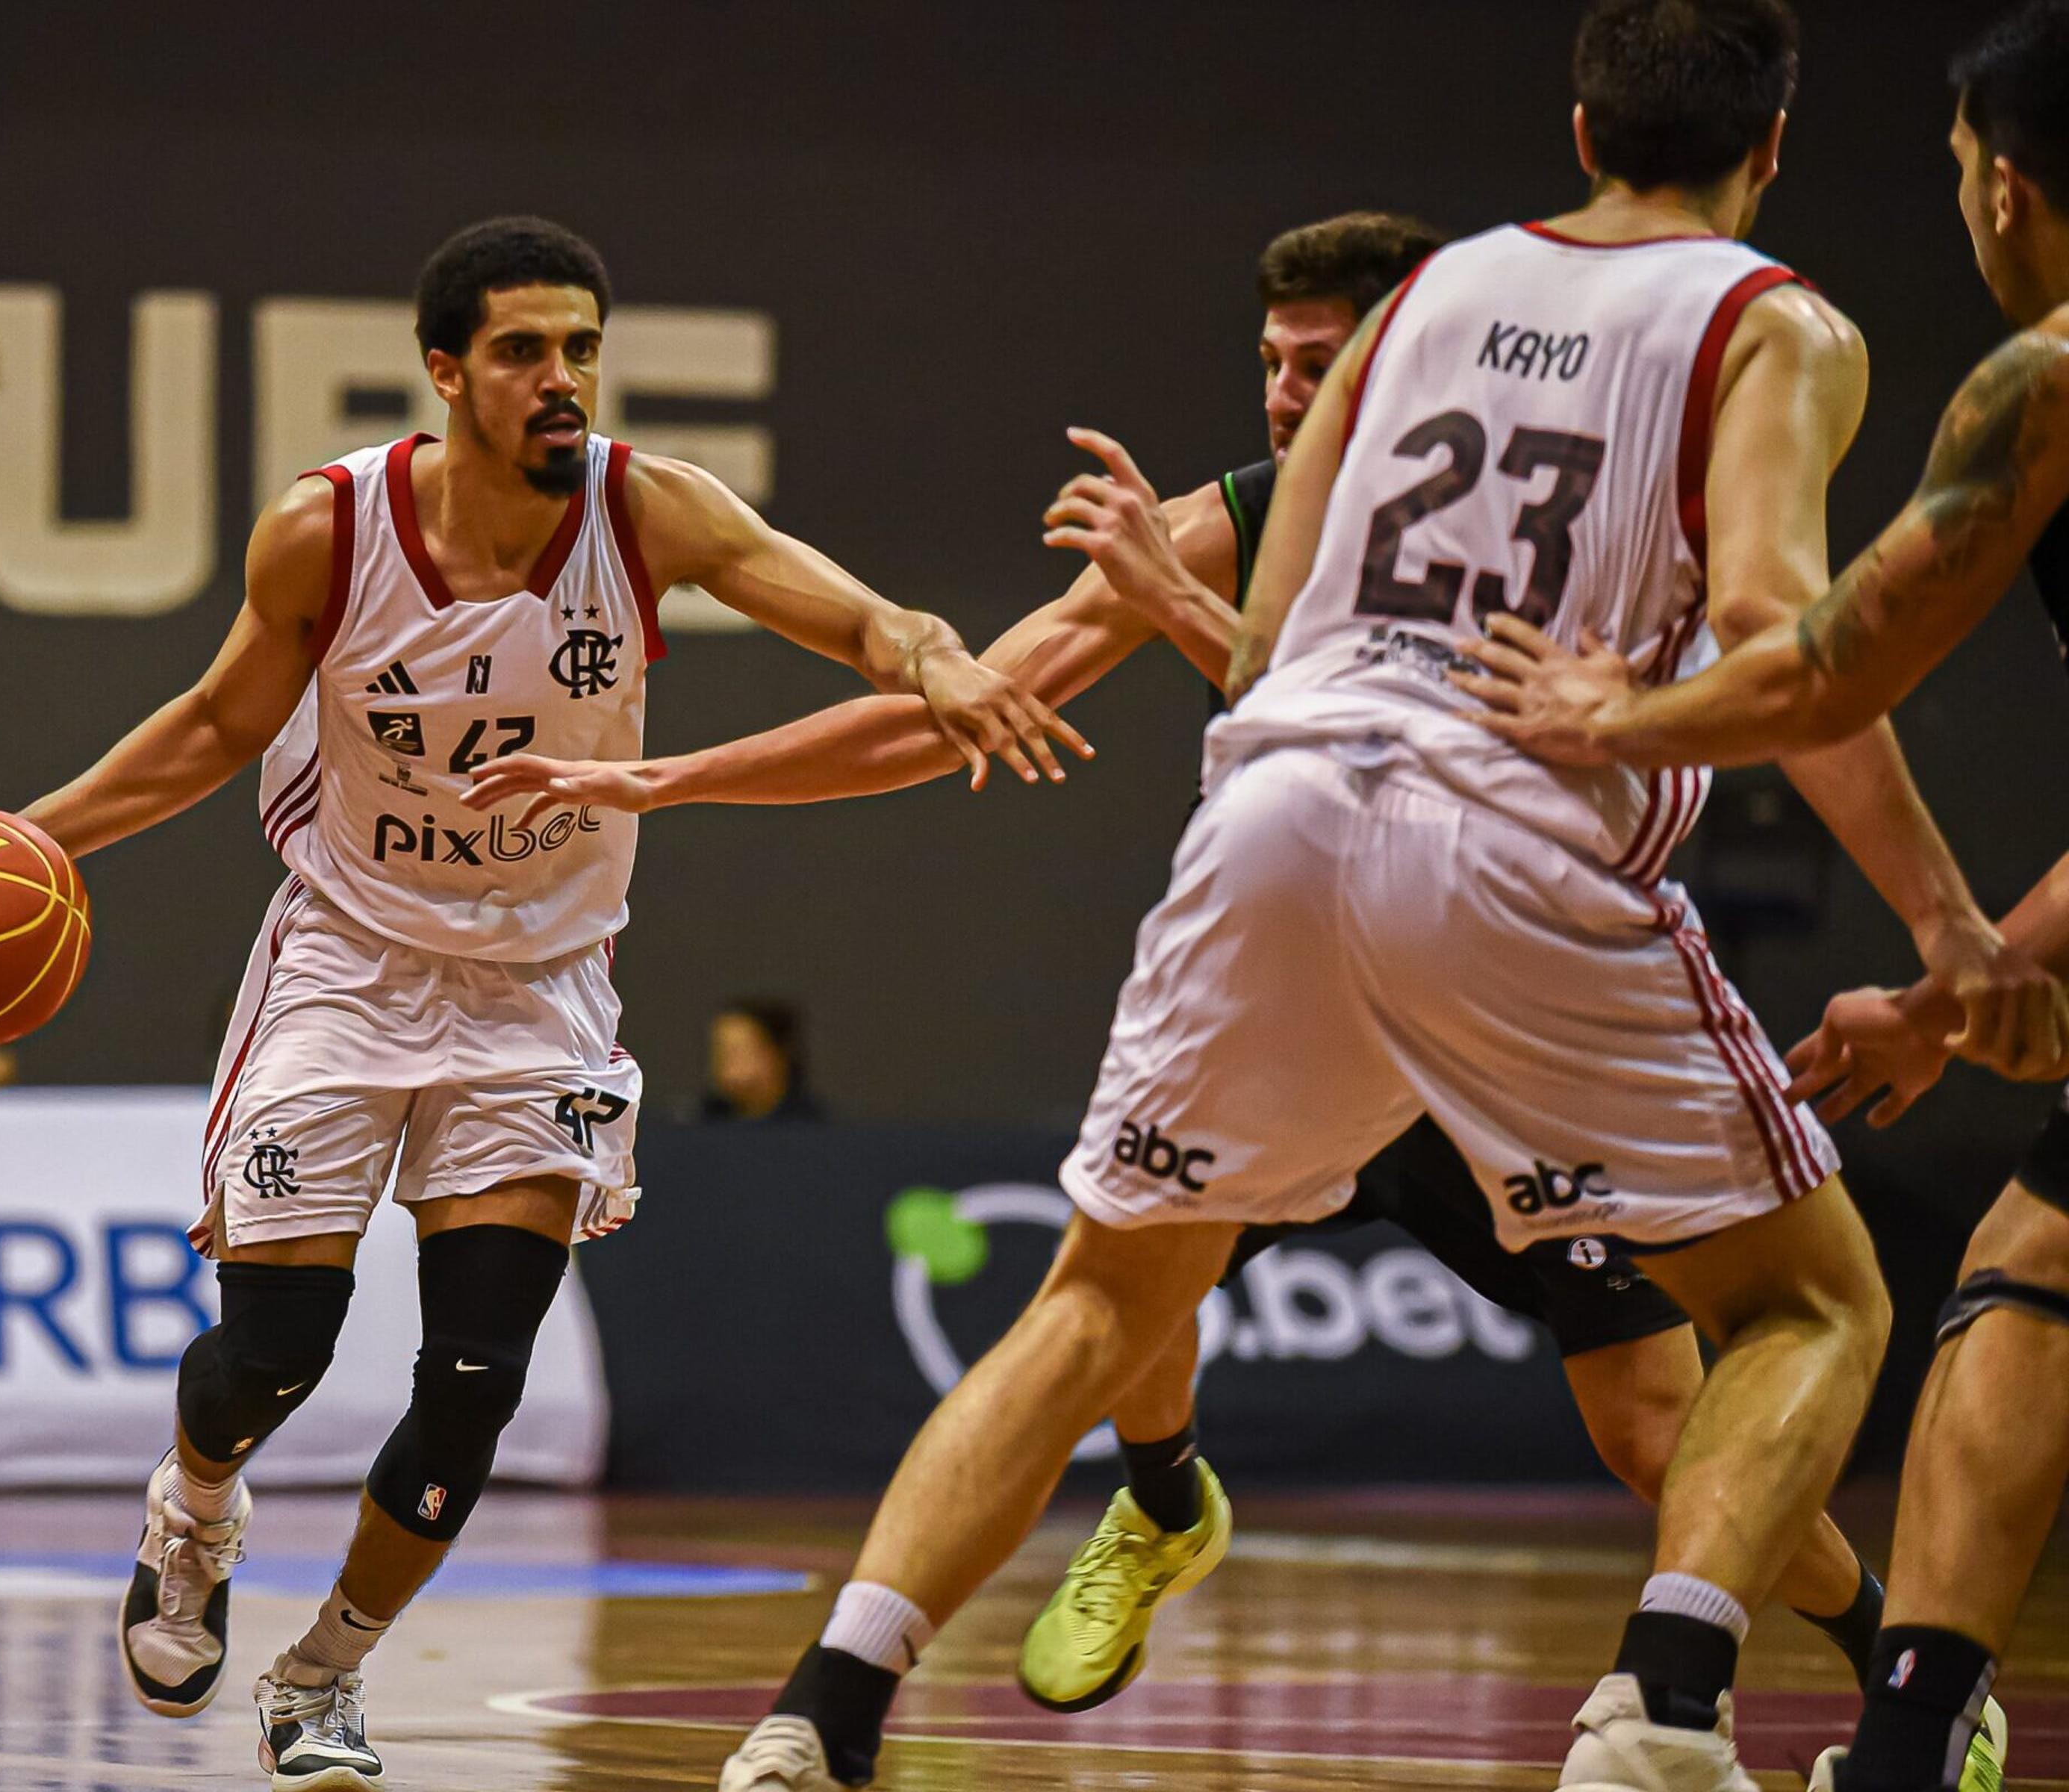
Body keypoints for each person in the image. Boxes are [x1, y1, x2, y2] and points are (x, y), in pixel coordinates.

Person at [491, 4, 2051, 1784]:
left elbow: (1288, 657)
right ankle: (1658, 1704)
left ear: (1573, 127)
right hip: (1501, 842)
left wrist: (1163, 613)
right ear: (1771, 149)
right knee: (1810, 1299)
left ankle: (817, 1712)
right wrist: (1944, 927)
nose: (1283, 382)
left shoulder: (1424, 306)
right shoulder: (1768, 322)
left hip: (1286, 816)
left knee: (1105, 1296)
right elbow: (1790, 647)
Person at [0, 217, 1072, 1792]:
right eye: (524, 352)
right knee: (275, 1352)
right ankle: (193, 1516)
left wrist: (935, 656)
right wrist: (17, 835)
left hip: (540, 986)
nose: (562, 381)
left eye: (582, 350)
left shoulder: (651, 510)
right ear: (444, 373)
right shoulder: (326, 533)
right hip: (348, 965)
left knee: (476, 1381)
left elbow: (859, 617)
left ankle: (325, 1673)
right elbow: (214, 728)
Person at [1460, 7, 2069, 1785]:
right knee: (2030, 1258)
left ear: (2007, 187)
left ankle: (1870, 1731)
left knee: (1958, 1289)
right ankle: (1897, 1734)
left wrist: (1613, 713)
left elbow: (1812, 659)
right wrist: (1956, 978)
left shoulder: (2038, 381)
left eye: (1960, 176)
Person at [702, 1000, 821, 1121]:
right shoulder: (702, 1121)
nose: (724, 1061)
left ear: (777, 1054)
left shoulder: (814, 1127)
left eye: (736, 1050)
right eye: (718, 1049)